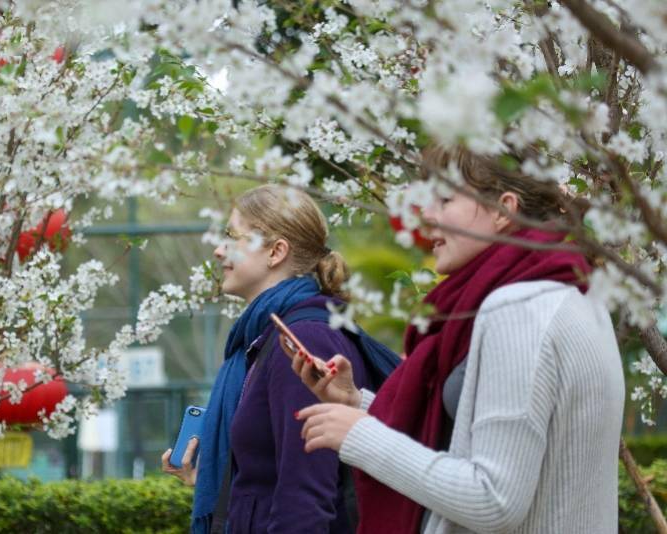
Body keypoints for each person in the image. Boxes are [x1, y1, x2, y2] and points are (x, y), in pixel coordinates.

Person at [286, 146, 626, 533]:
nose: (426, 217)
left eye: (444, 199)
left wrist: (360, 436)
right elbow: (470, 434)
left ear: (504, 211)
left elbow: (494, 500)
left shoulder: (518, 308)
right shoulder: (571, 290)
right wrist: (358, 403)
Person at [161, 185, 390, 533]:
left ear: (275, 252)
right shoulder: (263, 340)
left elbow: (306, 498)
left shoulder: (304, 341)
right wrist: (209, 479)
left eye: (231, 236)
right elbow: (267, 478)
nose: (219, 249)